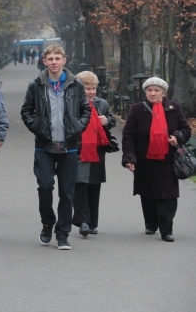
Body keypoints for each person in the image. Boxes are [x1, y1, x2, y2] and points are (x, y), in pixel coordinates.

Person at [20, 44, 90, 250]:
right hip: (45, 146)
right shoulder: (36, 85)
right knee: (45, 187)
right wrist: (38, 127)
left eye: (57, 58)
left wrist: (78, 127)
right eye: (50, 58)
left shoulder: (75, 85)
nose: (54, 62)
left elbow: (86, 109)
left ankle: (63, 234)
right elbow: (26, 111)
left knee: (67, 193)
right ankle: (47, 222)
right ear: (44, 61)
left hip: (69, 146)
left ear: (64, 60)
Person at [122, 77, 191, 242]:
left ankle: (166, 230)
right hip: (144, 159)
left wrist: (177, 137)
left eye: (156, 90)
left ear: (163, 92)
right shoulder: (137, 109)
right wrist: (130, 158)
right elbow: (128, 135)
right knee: (147, 193)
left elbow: (185, 129)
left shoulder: (174, 108)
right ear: (145, 92)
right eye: (149, 90)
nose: (153, 93)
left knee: (168, 195)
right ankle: (151, 223)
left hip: (168, 158)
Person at [72, 71, 116, 236]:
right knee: (80, 184)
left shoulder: (102, 103)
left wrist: (107, 120)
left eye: (93, 88)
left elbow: (110, 120)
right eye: (87, 89)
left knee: (94, 187)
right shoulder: (73, 103)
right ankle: (83, 221)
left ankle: (92, 223)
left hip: (97, 151)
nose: (91, 92)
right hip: (79, 149)